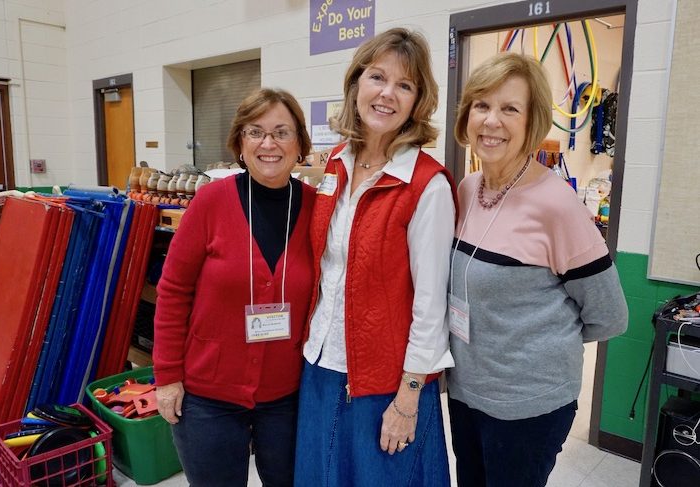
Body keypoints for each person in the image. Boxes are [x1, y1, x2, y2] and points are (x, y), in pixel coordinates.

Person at [447, 52, 628, 487]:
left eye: (510, 108)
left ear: (533, 121)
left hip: (529, 405)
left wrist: (534, 342)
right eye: (482, 105)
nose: (492, 121)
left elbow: (610, 316)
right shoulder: (467, 189)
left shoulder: (556, 205)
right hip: (466, 392)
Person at [294, 28, 456, 486]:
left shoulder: (427, 186)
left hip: (385, 384)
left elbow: (430, 306)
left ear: (417, 101)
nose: (387, 93)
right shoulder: (335, 166)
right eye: (377, 77)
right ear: (356, 84)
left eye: (404, 85)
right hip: (321, 365)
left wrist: (407, 400)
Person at [153, 88, 315, 487]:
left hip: (288, 395)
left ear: (299, 143)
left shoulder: (316, 208)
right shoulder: (210, 202)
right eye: (255, 132)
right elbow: (173, 291)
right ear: (240, 143)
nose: (269, 143)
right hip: (209, 394)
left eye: (281, 132)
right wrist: (167, 376)